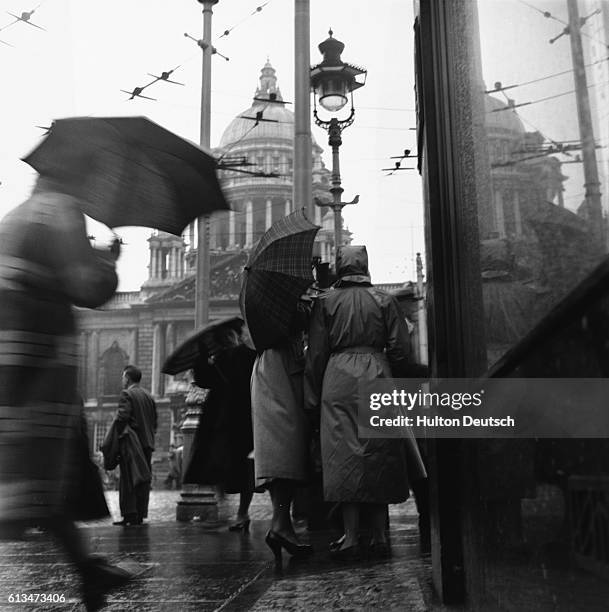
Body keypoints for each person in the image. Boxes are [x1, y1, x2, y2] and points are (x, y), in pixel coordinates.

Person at [0, 177, 132, 610]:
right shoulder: (61, 209)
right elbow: (86, 286)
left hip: (13, 355)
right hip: (33, 360)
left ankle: (87, 571)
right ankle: (87, 571)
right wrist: (108, 261)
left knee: (34, 480)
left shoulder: (17, 216)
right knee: (33, 476)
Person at [304, 245, 417, 560]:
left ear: (340, 267)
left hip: (337, 378)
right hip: (376, 373)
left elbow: (315, 354)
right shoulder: (385, 300)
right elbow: (401, 350)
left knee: (343, 456)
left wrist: (311, 397)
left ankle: (351, 536)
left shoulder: (325, 302)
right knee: (380, 452)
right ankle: (380, 534)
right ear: (365, 266)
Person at [251, 306, 314, 567]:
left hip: (270, 369)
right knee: (286, 450)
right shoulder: (279, 303)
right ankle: (280, 525)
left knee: (280, 452)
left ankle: (281, 525)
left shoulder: (260, 299)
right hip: (281, 369)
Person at [183, 325, 256, 530]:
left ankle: (231, 510)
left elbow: (204, 381)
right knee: (242, 466)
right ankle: (241, 512)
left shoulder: (225, 358)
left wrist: (202, 358)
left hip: (225, 418)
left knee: (221, 463)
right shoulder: (242, 356)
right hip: (238, 417)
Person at [112, 365, 157, 526]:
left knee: (128, 479)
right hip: (147, 444)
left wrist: (117, 438)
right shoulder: (149, 396)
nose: (122, 380)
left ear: (128, 378)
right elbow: (155, 422)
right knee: (143, 479)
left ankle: (129, 515)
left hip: (132, 443)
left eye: (123, 377)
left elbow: (121, 418)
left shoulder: (127, 394)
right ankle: (139, 514)